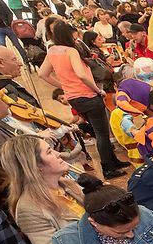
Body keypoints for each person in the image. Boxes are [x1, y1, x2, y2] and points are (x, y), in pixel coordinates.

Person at [37, 20, 128, 177]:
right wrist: (97, 90)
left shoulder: (52, 51)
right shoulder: (71, 51)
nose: (76, 38)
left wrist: (63, 85)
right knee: (102, 133)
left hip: (74, 98)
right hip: (87, 95)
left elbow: (42, 74)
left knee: (98, 131)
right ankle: (108, 168)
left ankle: (113, 161)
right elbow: (81, 74)